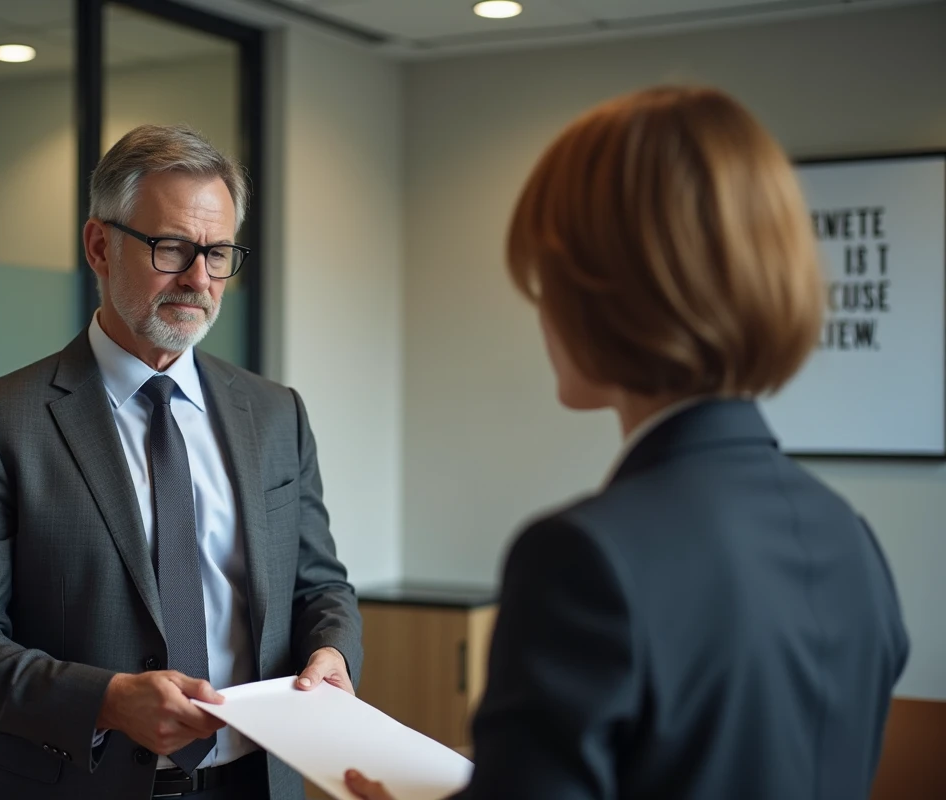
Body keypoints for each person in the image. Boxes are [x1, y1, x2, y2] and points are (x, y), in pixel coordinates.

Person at [345, 86, 908, 800]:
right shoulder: (850, 539)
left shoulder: (583, 560)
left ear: (603, 294)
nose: (541, 311)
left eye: (547, 280)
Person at [0, 124, 362, 800]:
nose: (198, 279)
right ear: (99, 246)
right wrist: (107, 700)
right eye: (171, 247)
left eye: (217, 253)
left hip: (255, 782)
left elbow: (319, 584)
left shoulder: (275, 414)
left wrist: (332, 649)